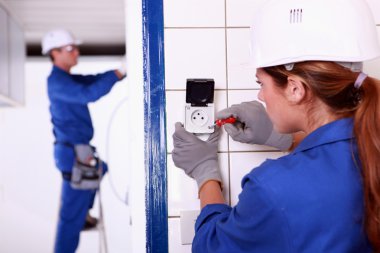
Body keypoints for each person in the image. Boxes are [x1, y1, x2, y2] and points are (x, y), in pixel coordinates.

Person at [172, 0, 380, 252]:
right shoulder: (373, 142)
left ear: (295, 89)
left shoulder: (274, 188)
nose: (261, 96)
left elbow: (212, 246)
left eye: (261, 83)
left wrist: (205, 173)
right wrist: (288, 139)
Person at [42, 28, 126, 253]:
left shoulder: (66, 79)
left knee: (101, 169)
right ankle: (77, 224)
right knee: (69, 218)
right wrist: (118, 73)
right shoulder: (57, 82)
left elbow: (92, 81)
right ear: (55, 53)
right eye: (70, 49)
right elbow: (88, 94)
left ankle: (84, 215)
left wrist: (119, 73)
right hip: (72, 153)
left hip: (77, 150)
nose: (76, 52)